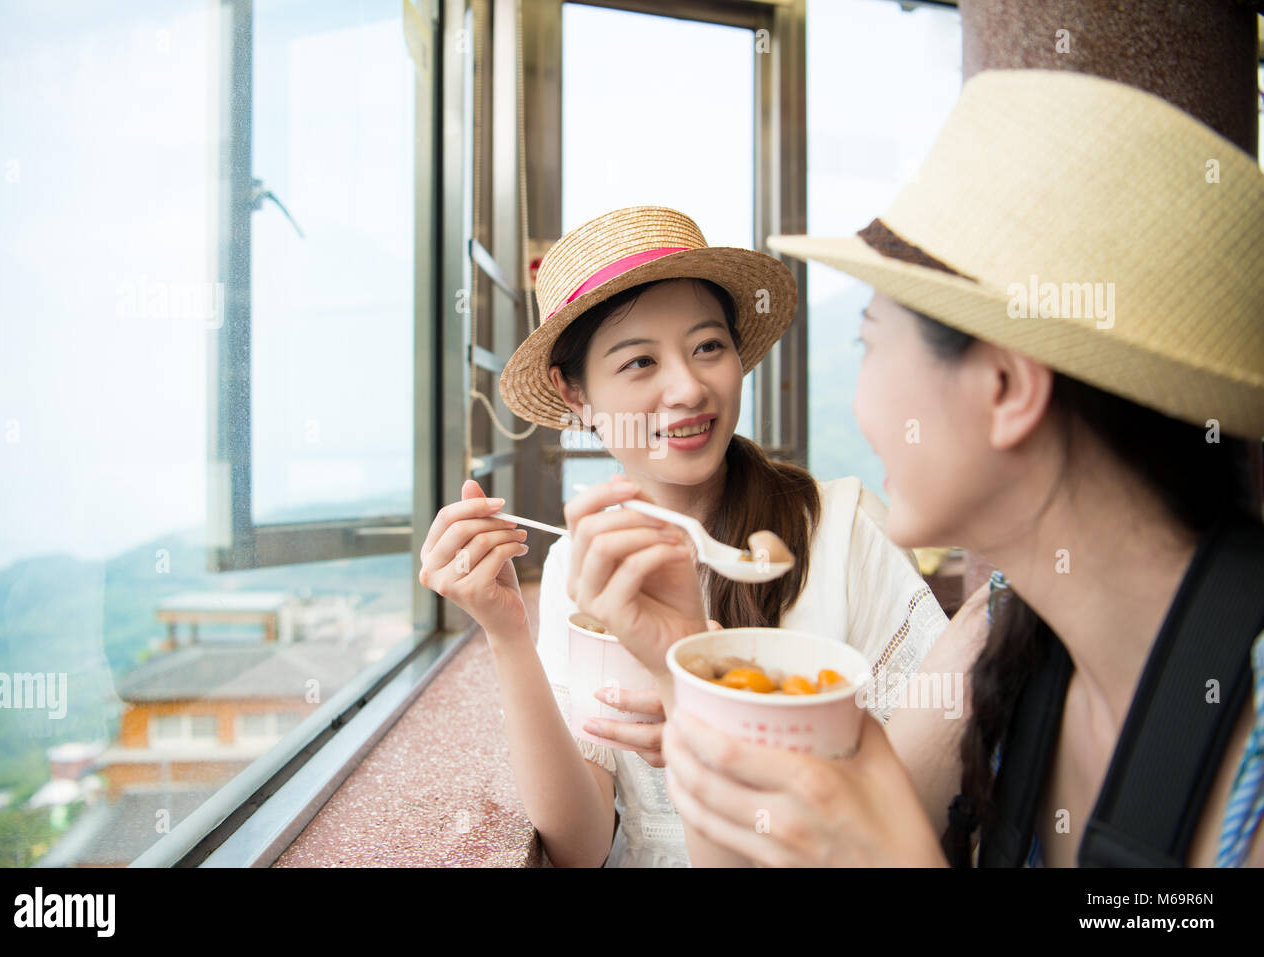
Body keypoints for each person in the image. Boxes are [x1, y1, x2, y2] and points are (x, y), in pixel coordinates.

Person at [575, 69, 1264, 866]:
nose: (864, 406)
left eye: (870, 341)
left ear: (1005, 386)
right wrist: (687, 656)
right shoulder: (1003, 638)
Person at [420, 205, 956, 867]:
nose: (688, 387)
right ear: (575, 394)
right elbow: (582, 845)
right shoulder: (582, 569)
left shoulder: (843, 528)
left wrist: (720, 728)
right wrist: (505, 630)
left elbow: (917, 804)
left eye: (708, 347)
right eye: (640, 361)